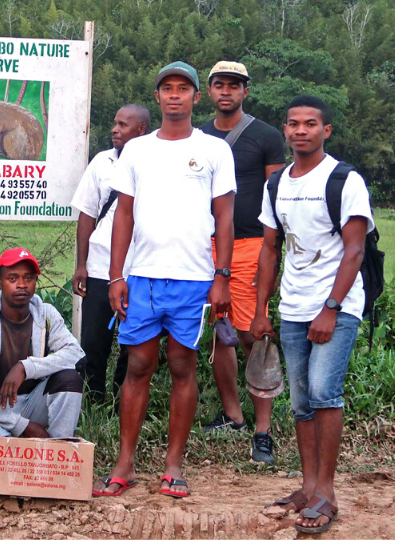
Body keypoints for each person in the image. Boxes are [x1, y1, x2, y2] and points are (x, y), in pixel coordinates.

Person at [98, 62, 236, 498]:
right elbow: (123, 213)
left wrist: (222, 277)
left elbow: (225, 217)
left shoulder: (214, 150)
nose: (175, 95)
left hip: (194, 279)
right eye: (167, 88)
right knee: (138, 366)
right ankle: (125, 463)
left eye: (183, 89)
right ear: (157, 97)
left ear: (196, 98)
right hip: (141, 278)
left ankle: (174, 465)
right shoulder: (137, 151)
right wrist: (116, 275)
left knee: (182, 366)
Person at [252, 95, 373, 534]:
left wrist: (331, 308)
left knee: (324, 391)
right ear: (285, 131)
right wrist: (263, 309)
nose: (300, 130)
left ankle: (327, 492)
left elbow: (354, 250)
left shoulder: (344, 180)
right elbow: (269, 248)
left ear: (326, 131)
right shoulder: (277, 182)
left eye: (310, 124)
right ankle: (307, 486)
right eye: (293, 124)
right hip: (293, 306)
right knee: (301, 400)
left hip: (335, 306)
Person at [198, 61, 286, 464]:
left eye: (234, 85)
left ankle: (262, 430)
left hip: (251, 243)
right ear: (210, 91)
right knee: (222, 333)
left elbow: (277, 192)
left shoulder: (266, 136)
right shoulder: (197, 138)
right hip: (206, 244)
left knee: (254, 332)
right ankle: (233, 415)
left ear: (245, 91)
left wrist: (274, 244)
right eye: (219, 85)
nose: (226, 91)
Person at [0, 248, 85, 439]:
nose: (21, 285)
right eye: (12, 278)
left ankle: (60, 451)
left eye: (28, 278)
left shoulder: (46, 314)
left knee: (69, 378)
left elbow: (75, 353)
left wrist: (26, 367)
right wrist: (22, 426)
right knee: (2, 456)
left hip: (33, 405)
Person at [71, 104, 150, 404]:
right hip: (101, 266)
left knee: (134, 344)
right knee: (93, 342)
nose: (114, 130)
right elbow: (87, 215)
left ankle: (122, 403)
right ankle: (92, 400)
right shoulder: (101, 162)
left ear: (141, 130)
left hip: (141, 268)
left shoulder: (154, 164)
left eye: (122, 125)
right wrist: (82, 265)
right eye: (114, 123)